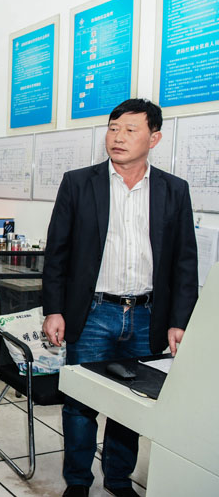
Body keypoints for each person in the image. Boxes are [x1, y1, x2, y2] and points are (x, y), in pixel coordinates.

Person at [42, 98, 198, 497]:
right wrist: (54, 310)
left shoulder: (173, 190)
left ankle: (117, 479)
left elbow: (184, 262)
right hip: (93, 312)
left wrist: (179, 321)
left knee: (132, 404)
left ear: (154, 138)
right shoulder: (79, 183)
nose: (118, 137)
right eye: (113, 128)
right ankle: (78, 481)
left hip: (147, 315)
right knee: (80, 404)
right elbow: (57, 253)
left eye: (130, 130)